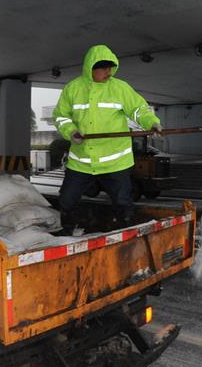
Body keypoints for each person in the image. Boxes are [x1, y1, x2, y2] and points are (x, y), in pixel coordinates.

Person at [53, 44, 162, 232]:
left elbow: (138, 110)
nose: (109, 72)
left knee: (123, 202)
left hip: (115, 161)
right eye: (104, 68)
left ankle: (126, 230)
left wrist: (151, 123)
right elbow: (61, 117)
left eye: (111, 67)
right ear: (91, 68)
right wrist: (71, 132)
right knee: (66, 200)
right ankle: (71, 228)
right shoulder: (73, 89)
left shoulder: (120, 88)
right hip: (82, 161)